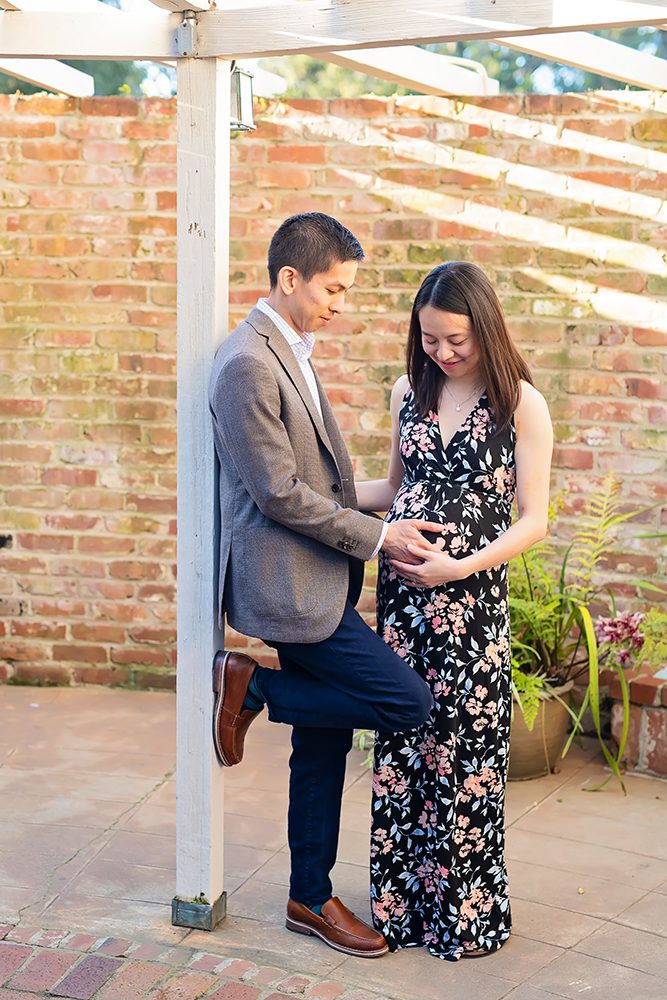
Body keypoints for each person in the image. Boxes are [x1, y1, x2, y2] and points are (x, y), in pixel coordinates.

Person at [208, 213, 444, 960]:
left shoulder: (291, 351)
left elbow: (324, 480)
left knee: (322, 743)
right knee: (406, 702)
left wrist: (397, 502)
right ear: (289, 278)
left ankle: (307, 897)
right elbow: (278, 492)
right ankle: (251, 691)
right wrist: (377, 537)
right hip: (287, 587)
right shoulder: (248, 361)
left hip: (317, 579)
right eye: (332, 288)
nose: (339, 302)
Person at [355, 261, 553, 961]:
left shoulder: (519, 403)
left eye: (456, 340)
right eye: (431, 339)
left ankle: (463, 918)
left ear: (486, 329)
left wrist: (460, 566)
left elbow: (535, 519)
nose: (442, 352)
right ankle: (398, 909)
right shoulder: (407, 390)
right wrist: (306, 491)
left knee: (465, 757)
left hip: (470, 610)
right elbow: (389, 486)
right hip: (404, 609)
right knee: (403, 748)